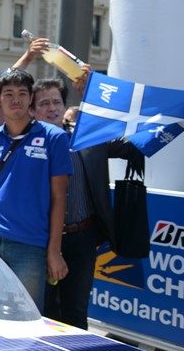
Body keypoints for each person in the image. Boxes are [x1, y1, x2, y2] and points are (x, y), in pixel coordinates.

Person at [31, 73, 144, 329]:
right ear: (33, 110)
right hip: (42, 239)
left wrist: (94, 99)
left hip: (83, 237)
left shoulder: (88, 135)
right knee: (46, 311)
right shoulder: (28, 144)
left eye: (56, 102)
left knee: (76, 311)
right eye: (44, 103)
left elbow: (131, 145)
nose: (52, 109)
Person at [0, 68, 71, 311]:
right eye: (8, 94)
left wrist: (54, 251)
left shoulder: (54, 138)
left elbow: (59, 199)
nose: (15, 99)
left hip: (30, 245)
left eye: (22, 93)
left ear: (30, 99)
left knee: (27, 315)